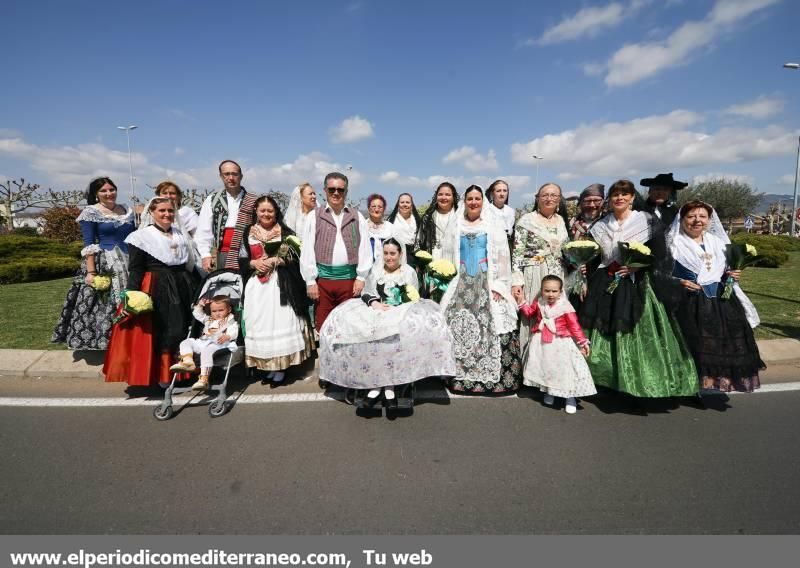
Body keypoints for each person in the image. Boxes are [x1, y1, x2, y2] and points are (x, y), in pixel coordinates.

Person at [579, 180, 697, 399]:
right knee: (603, 333)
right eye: (615, 194)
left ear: (633, 198)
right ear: (610, 199)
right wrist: (586, 268)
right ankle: (606, 381)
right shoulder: (600, 225)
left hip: (637, 283)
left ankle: (638, 383)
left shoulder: (646, 221)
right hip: (605, 283)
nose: (619, 198)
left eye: (624, 194)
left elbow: (660, 255)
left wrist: (638, 265)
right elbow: (594, 257)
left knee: (636, 334)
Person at [319, 238, 456, 403]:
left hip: (401, 310)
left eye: (393, 253)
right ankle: (374, 386)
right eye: (386, 253)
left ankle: (390, 387)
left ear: (400, 254)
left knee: (407, 330)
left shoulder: (408, 272)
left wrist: (399, 306)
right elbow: (367, 292)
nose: (389, 257)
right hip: (377, 309)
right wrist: (375, 303)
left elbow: (413, 297)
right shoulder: (376, 271)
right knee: (353, 324)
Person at [667, 200, 763, 393]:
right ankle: (688, 385)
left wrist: (733, 274)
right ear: (682, 219)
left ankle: (710, 382)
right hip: (687, 302)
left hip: (719, 302)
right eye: (691, 216)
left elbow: (725, 270)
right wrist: (678, 282)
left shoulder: (718, 242)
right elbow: (658, 274)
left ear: (709, 220)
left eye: (702, 216)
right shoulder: (672, 243)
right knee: (691, 343)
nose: (697, 221)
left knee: (720, 343)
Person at [104, 197, 199, 387]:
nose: (167, 214)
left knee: (183, 327)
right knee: (164, 329)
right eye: (162, 211)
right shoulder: (141, 237)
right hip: (157, 286)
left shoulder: (180, 233)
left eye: (170, 211)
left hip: (181, 284)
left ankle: (182, 372)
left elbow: (187, 263)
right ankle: (163, 374)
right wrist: (131, 293)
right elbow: (136, 268)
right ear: (152, 213)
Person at [440, 185, 521, 393]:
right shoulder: (456, 224)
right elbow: (447, 256)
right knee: (458, 324)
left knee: (492, 322)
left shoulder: (491, 225)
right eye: (470, 199)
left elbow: (503, 257)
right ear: (464, 201)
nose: (474, 202)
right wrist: (447, 280)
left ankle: (494, 381)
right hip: (462, 281)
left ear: (483, 202)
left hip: (487, 280)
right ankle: (458, 378)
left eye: (477, 198)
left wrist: (500, 286)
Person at [52, 177, 135, 350]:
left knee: (132, 297)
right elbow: (88, 244)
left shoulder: (127, 210)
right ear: (96, 194)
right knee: (104, 304)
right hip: (106, 261)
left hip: (129, 260)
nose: (109, 193)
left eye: (111, 189)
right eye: (103, 191)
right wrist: (91, 272)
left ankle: (131, 338)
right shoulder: (91, 212)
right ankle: (109, 342)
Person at [241, 195, 315, 382]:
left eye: (270, 211)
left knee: (280, 322)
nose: (266, 214)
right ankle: (266, 367)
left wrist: (279, 260)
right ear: (256, 212)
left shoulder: (285, 233)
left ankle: (281, 367)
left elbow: (297, 257)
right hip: (257, 287)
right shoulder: (247, 232)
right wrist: (254, 263)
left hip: (280, 285)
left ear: (276, 212)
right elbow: (241, 259)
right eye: (262, 210)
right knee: (261, 324)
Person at [300, 172, 373, 331]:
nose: (336, 193)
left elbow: (365, 248)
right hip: (323, 282)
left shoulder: (357, 216)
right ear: (325, 190)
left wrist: (361, 277)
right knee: (325, 327)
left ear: (346, 192)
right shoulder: (314, 216)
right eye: (332, 189)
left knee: (349, 326)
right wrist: (310, 280)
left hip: (350, 281)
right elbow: (307, 249)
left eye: (340, 189)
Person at [514, 275, 595, 414]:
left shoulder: (565, 306)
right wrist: (521, 301)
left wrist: (582, 342)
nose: (550, 294)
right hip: (542, 343)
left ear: (560, 291)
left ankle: (570, 398)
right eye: (547, 291)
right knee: (547, 368)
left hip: (560, 342)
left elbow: (574, 326)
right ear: (542, 290)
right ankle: (549, 392)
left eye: (554, 291)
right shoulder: (539, 302)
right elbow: (529, 313)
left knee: (565, 370)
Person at [511, 182, 570, 347]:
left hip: (558, 273)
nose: (549, 199)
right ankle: (531, 357)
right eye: (545, 195)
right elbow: (517, 253)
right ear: (537, 198)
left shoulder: (561, 221)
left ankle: (553, 356)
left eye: (553, 195)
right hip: (535, 272)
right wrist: (517, 282)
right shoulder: (526, 221)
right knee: (535, 315)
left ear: (559, 200)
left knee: (557, 314)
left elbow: (566, 250)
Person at [195, 160, 258, 273]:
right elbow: (204, 231)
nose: (231, 177)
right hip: (224, 254)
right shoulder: (212, 200)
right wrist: (205, 255)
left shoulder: (254, 200)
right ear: (221, 176)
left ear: (241, 176)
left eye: (234, 174)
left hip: (250, 254)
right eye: (227, 174)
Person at [170, 295, 239, 391]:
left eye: (221, 310)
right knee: (186, 342)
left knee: (207, 350)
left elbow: (234, 330)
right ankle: (188, 361)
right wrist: (199, 306)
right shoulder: (209, 319)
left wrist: (228, 336)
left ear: (229, 309)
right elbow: (198, 314)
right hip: (203, 341)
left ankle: (204, 379)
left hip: (218, 344)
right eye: (214, 311)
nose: (217, 313)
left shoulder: (230, 321)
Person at [415, 182, 460, 264]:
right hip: (432, 261)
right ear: (436, 197)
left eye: (447, 194)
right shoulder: (428, 218)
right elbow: (419, 242)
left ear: (453, 197)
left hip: (455, 260)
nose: (443, 197)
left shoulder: (460, 217)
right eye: (440, 194)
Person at [387, 192, 421, 267]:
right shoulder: (391, 221)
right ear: (398, 204)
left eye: (407, 202)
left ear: (411, 204)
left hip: (415, 257)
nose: (405, 204)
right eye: (402, 202)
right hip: (397, 257)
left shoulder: (418, 221)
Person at [485, 179, 515, 250]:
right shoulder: (486, 210)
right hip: (491, 248)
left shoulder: (511, 211)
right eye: (498, 191)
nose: (502, 194)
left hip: (508, 249)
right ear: (492, 193)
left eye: (505, 191)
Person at [365, 193, 394, 263]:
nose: (376, 209)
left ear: (384, 209)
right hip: (365, 267)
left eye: (380, 207)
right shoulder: (362, 226)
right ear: (368, 208)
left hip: (386, 267)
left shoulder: (390, 227)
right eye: (373, 206)